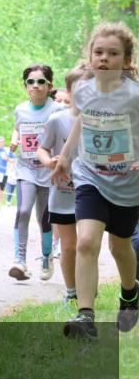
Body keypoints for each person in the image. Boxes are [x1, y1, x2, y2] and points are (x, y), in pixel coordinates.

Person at [54, 22, 139, 338]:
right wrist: (64, 156)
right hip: (90, 174)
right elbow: (81, 121)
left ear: (126, 60)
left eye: (113, 53)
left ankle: (130, 293)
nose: (104, 58)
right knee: (87, 241)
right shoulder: (83, 89)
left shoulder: (134, 96)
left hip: (127, 183)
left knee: (120, 248)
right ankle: (85, 315)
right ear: (89, 57)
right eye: (98, 52)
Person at [9, 64, 62, 282]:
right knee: (22, 211)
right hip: (26, 168)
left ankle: (47, 257)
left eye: (41, 82)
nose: (35, 86)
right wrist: (14, 139)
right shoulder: (20, 109)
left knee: (45, 219)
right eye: (31, 82)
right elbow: (18, 129)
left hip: (49, 170)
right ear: (25, 86)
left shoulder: (57, 109)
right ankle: (19, 260)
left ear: (49, 86)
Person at [37, 66, 86, 302]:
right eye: (80, 87)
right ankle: (72, 292)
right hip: (63, 191)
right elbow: (42, 148)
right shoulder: (57, 120)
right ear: (68, 90)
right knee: (68, 246)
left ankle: (87, 287)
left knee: (87, 244)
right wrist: (48, 162)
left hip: (92, 192)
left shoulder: (103, 120)